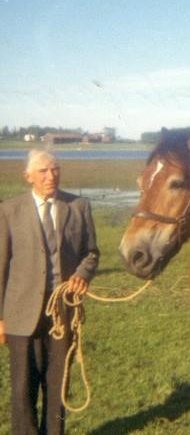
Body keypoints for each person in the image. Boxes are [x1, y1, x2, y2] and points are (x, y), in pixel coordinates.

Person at [0, 149, 100, 435]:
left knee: (58, 385)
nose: (51, 176)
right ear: (28, 176)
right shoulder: (9, 210)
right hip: (20, 314)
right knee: (23, 387)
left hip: (62, 313)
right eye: (43, 171)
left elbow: (91, 253)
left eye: (55, 169)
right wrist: (0, 319)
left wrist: (82, 275)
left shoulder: (79, 206)